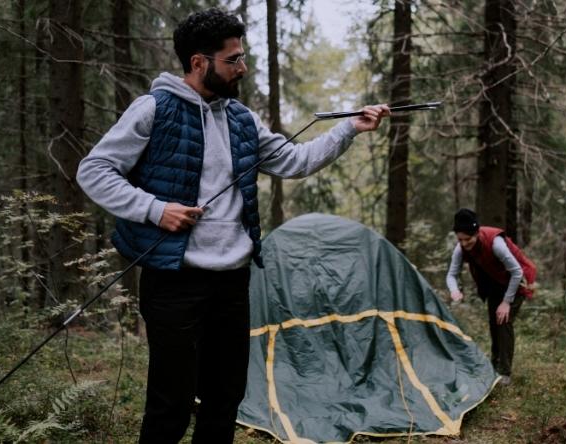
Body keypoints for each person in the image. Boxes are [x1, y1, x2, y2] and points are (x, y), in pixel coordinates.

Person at [76, 8, 389, 443]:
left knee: (224, 401)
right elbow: (95, 170)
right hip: (174, 280)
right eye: (233, 59)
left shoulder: (241, 118)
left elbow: (294, 160)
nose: (242, 68)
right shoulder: (153, 108)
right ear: (199, 62)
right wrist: (155, 208)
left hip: (232, 282)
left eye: (243, 57)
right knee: (171, 403)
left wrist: (350, 129)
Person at [446, 209, 525, 385]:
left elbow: (517, 272)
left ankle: (504, 372)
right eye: (461, 239)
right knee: (493, 323)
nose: (464, 243)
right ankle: (494, 365)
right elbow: (451, 275)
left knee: (503, 322)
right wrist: (454, 290)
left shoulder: (496, 243)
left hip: (516, 283)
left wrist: (506, 302)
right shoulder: (460, 248)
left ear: (476, 233)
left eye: (468, 239)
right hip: (495, 286)